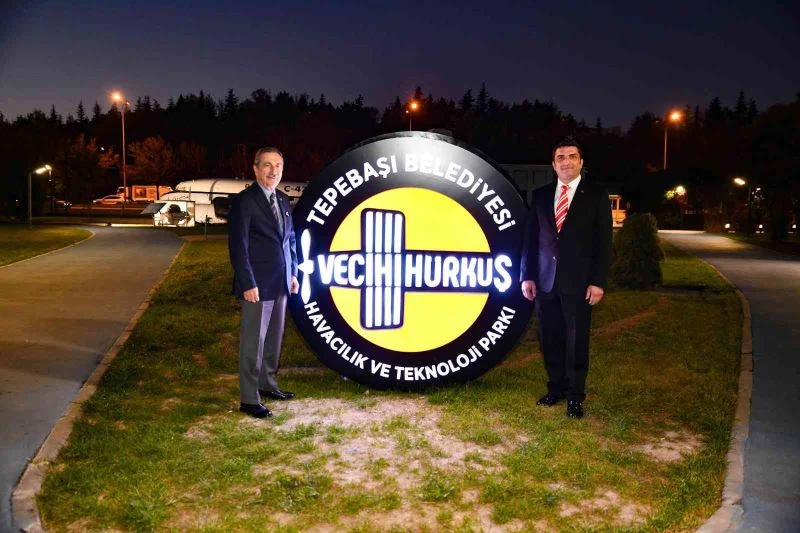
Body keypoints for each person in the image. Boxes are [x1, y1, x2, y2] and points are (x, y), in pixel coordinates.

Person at [520, 137, 612, 418]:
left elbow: (604, 242)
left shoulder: (596, 195)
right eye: (560, 157)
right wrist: (527, 276)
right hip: (545, 281)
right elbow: (531, 239)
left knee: (576, 341)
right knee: (550, 339)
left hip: (579, 282)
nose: (566, 161)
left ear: (581, 162)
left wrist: (598, 281)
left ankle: (575, 396)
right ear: (553, 164)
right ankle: (556, 388)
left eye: (572, 156)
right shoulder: (540, 195)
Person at [228, 147, 299, 418]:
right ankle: (249, 398)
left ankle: (267, 384)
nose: (273, 170)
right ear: (256, 168)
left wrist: (293, 274)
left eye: (278, 165)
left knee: (273, 339)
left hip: (281, 282)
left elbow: (290, 240)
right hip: (257, 285)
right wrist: (247, 283)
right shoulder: (245, 201)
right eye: (267, 165)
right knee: (253, 343)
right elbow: (239, 246)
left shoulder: (282, 199)